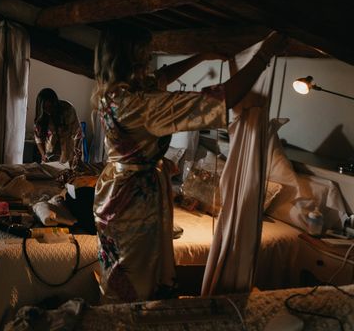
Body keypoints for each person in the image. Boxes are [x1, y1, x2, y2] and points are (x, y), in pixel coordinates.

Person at [92, 25, 287, 303]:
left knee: (119, 273)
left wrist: (200, 56)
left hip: (114, 192)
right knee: (136, 280)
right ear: (129, 61)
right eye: (144, 57)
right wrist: (264, 53)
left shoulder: (112, 93)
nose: (148, 62)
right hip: (132, 203)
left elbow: (162, 77)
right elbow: (221, 100)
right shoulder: (140, 105)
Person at [33, 88, 83, 167]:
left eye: (50, 107)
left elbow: (78, 132)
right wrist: (43, 155)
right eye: (45, 108)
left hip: (68, 150)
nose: (48, 110)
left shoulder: (67, 109)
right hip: (49, 154)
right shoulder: (41, 117)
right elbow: (38, 138)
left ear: (55, 104)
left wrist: (76, 150)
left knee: (69, 173)